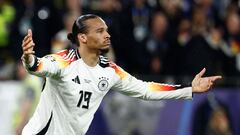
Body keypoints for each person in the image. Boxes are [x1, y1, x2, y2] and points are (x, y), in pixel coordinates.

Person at [21, 14, 222, 135]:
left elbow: (145, 89)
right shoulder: (64, 61)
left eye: (106, 30)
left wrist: (189, 89)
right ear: (82, 37)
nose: (107, 35)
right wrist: (29, 57)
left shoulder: (110, 71)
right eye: (99, 31)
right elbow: (39, 66)